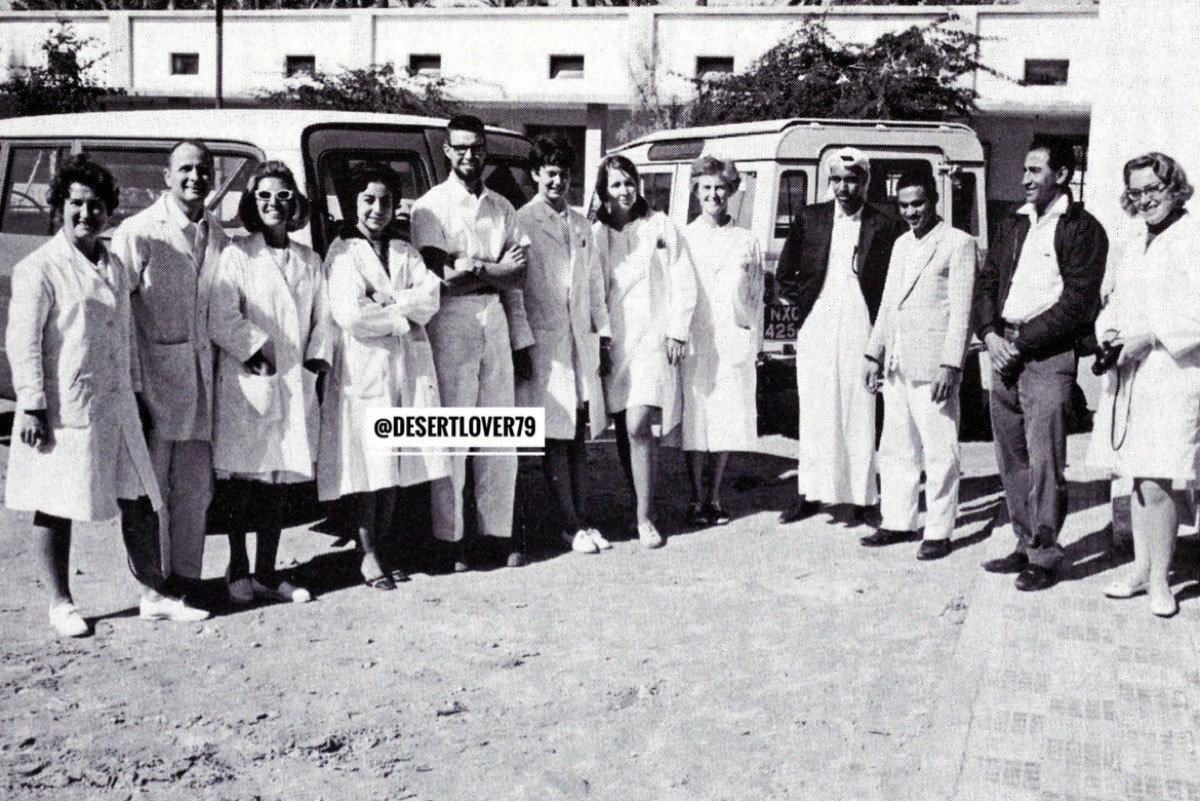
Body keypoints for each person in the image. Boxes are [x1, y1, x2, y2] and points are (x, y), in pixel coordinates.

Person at [6, 154, 209, 636]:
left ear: (108, 211)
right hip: (63, 406)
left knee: (138, 497)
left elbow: (126, 336)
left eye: (96, 205)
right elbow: (23, 341)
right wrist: (32, 404)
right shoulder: (39, 268)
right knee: (56, 502)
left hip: (118, 404)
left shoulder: (114, 263)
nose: (86, 213)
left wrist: (137, 391)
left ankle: (154, 595)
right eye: (76, 203)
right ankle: (61, 603)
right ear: (60, 206)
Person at [973, 137, 1107, 591]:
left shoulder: (1083, 229)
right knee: (1012, 457)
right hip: (1002, 351)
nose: (1025, 179)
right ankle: (1023, 542)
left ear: (1062, 175)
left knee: (1046, 459)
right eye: (1024, 170)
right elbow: (988, 281)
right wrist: (990, 334)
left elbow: (1078, 304)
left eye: (1035, 170)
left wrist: (1022, 342)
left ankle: (1045, 556)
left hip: (1048, 357)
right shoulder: (1013, 222)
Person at [208, 162, 334, 604]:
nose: (273, 204)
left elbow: (324, 319)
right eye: (263, 195)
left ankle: (267, 571)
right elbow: (222, 316)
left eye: (282, 195)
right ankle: (238, 567)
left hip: (295, 381)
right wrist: (258, 357)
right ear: (251, 201)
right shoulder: (237, 255)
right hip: (251, 380)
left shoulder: (309, 260)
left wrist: (315, 364)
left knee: (279, 482)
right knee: (245, 480)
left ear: (295, 202)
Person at [411, 115, 532, 571]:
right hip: (450, 322)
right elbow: (443, 278)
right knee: (454, 432)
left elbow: (519, 275)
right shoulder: (429, 207)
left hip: (494, 318)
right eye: (460, 147)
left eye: (476, 147)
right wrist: (493, 267)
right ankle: (450, 539)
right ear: (447, 151)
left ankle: (496, 533)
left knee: (499, 431)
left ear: (485, 150)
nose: (469, 155)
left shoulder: (502, 207)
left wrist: (473, 266)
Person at [318, 162, 447, 589]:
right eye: (368, 200)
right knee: (367, 466)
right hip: (364, 370)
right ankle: (368, 554)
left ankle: (384, 548)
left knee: (395, 462)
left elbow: (431, 298)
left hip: (404, 368)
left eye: (385, 201)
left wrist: (387, 299)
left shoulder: (405, 251)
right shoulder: (342, 252)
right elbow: (351, 314)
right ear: (354, 203)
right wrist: (400, 316)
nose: (377, 209)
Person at [110, 140, 228, 600]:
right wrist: (132, 386)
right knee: (150, 490)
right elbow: (118, 313)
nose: (195, 177)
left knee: (195, 490)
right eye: (186, 169)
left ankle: (186, 580)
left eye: (204, 169)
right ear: (167, 176)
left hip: (200, 382)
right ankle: (155, 589)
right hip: (152, 382)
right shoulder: (139, 232)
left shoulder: (216, 232)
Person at [1089, 152, 1200, 618]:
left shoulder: (1193, 238)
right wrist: (1110, 333)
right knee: (1135, 475)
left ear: (1174, 187)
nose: (1145, 200)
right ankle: (1140, 569)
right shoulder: (1134, 242)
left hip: (1172, 372)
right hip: (1130, 373)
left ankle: (1160, 580)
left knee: (1159, 480)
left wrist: (1150, 337)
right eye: (1136, 192)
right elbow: (1114, 300)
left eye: (1153, 189)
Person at [775, 147, 906, 525]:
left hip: (861, 321)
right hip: (817, 321)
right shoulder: (810, 218)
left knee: (859, 408)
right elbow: (784, 274)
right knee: (816, 408)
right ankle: (809, 493)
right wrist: (806, 303)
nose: (844, 188)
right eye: (837, 180)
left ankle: (863, 499)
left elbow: (894, 281)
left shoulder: (885, 223)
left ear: (866, 181)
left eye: (852, 180)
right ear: (829, 181)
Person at [861, 171, 978, 559]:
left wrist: (951, 365)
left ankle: (939, 530)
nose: (911, 212)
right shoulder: (900, 245)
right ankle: (898, 520)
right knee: (896, 447)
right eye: (904, 205)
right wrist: (873, 353)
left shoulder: (958, 243)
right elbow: (888, 304)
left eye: (918, 204)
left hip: (933, 365)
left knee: (940, 450)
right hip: (897, 362)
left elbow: (962, 312)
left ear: (935, 200)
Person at [514, 137, 613, 555]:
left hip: (579, 342)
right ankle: (568, 525)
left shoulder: (581, 224)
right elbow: (515, 290)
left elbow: (594, 287)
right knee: (555, 437)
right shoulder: (521, 221)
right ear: (535, 174)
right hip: (545, 344)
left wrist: (603, 335)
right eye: (550, 173)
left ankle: (583, 519)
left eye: (564, 174)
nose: (558, 181)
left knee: (578, 436)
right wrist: (522, 343)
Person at [593, 154, 697, 548]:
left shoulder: (660, 225)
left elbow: (683, 278)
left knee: (639, 424)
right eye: (616, 184)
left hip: (653, 339)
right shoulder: (597, 235)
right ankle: (642, 500)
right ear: (604, 191)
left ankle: (645, 518)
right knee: (625, 428)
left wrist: (677, 332)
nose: (624, 190)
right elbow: (593, 292)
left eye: (629, 182)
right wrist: (601, 339)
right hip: (616, 342)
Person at [679, 155, 764, 527]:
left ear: (731, 191)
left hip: (732, 338)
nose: (714, 195)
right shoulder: (684, 236)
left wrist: (753, 344)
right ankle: (695, 497)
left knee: (726, 417)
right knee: (696, 418)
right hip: (696, 337)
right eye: (706, 188)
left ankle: (714, 497)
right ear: (696, 192)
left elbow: (756, 297)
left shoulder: (747, 239)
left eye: (720, 188)